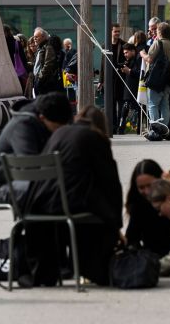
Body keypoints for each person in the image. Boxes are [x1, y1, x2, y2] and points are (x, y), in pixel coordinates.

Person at [24, 97, 123, 286]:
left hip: (37, 203)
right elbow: (111, 183)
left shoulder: (59, 133)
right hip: (67, 204)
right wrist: (116, 224)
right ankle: (93, 268)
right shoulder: (94, 138)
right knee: (101, 207)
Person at [0, 95, 65, 205]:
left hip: (32, 182)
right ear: (43, 118)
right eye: (57, 128)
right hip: (6, 186)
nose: (58, 132)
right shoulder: (22, 126)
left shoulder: (40, 122)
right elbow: (29, 167)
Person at [125, 160, 170, 257]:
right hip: (153, 257)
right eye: (141, 188)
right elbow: (132, 238)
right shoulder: (138, 203)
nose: (147, 191)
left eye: (150, 185)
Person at [141, 21, 170, 136]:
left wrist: (142, 53)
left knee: (152, 104)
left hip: (155, 80)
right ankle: (165, 129)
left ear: (160, 32)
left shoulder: (157, 43)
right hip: (168, 80)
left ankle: (155, 130)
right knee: (164, 105)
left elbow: (150, 59)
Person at [98, 23, 125, 134]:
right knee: (111, 104)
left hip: (121, 79)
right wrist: (101, 80)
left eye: (119, 31)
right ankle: (112, 127)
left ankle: (120, 127)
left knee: (122, 104)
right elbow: (102, 64)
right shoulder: (105, 45)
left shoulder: (123, 44)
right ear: (111, 32)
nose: (117, 33)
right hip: (109, 79)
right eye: (115, 31)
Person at [30, 28, 59, 97]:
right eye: (34, 37)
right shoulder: (40, 48)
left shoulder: (48, 47)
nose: (34, 39)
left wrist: (40, 78)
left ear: (43, 37)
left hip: (44, 82)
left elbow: (48, 64)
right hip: (39, 80)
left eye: (36, 37)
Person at [3, 25, 29, 91]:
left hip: (5, 72)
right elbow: (23, 59)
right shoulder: (16, 43)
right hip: (17, 72)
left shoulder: (2, 44)